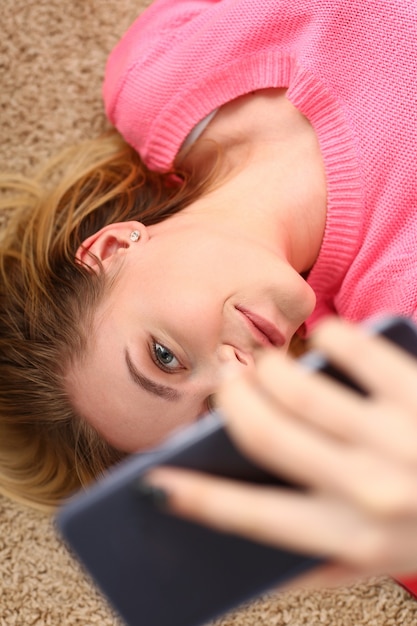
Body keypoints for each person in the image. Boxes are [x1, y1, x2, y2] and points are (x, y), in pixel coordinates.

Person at [1, 0, 417, 595]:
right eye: (219, 413)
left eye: (164, 357)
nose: (235, 374)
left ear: (113, 247)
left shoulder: (158, 76)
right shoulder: (395, 319)